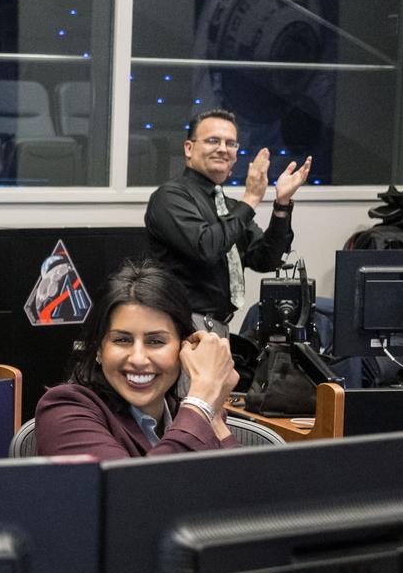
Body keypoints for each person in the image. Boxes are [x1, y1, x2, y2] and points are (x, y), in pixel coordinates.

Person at [33, 260, 244, 460]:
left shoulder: (189, 414)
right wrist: (201, 402)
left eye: (155, 341)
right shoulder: (64, 410)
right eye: (122, 340)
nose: (138, 359)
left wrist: (213, 416)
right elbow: (133, 493)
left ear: (184, 348)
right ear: (98, 349)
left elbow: (245, 494)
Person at [144, 108, 310, 330]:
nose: (223, 149)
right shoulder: (170, 197)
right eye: (213, 140)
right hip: (180, 325)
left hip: (220, 325)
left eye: (231, 143)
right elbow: (207, 248)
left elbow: (266, 259)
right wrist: (251, 199)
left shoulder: (229, 206)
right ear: (189, 148)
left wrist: (282, 205)